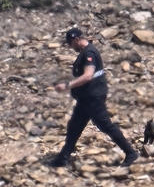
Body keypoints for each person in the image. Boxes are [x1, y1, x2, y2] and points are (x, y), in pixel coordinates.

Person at [49, 28, 139, 167]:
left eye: (70, 43)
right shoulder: (86, 52)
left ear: (76, 39)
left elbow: (88, 75)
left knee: (105, 125)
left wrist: (68, 85)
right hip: (86, 98)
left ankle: (130, 153)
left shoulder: (89, 53)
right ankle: (63, 157)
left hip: (93, 97)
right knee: (74, 126)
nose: (70, 46)